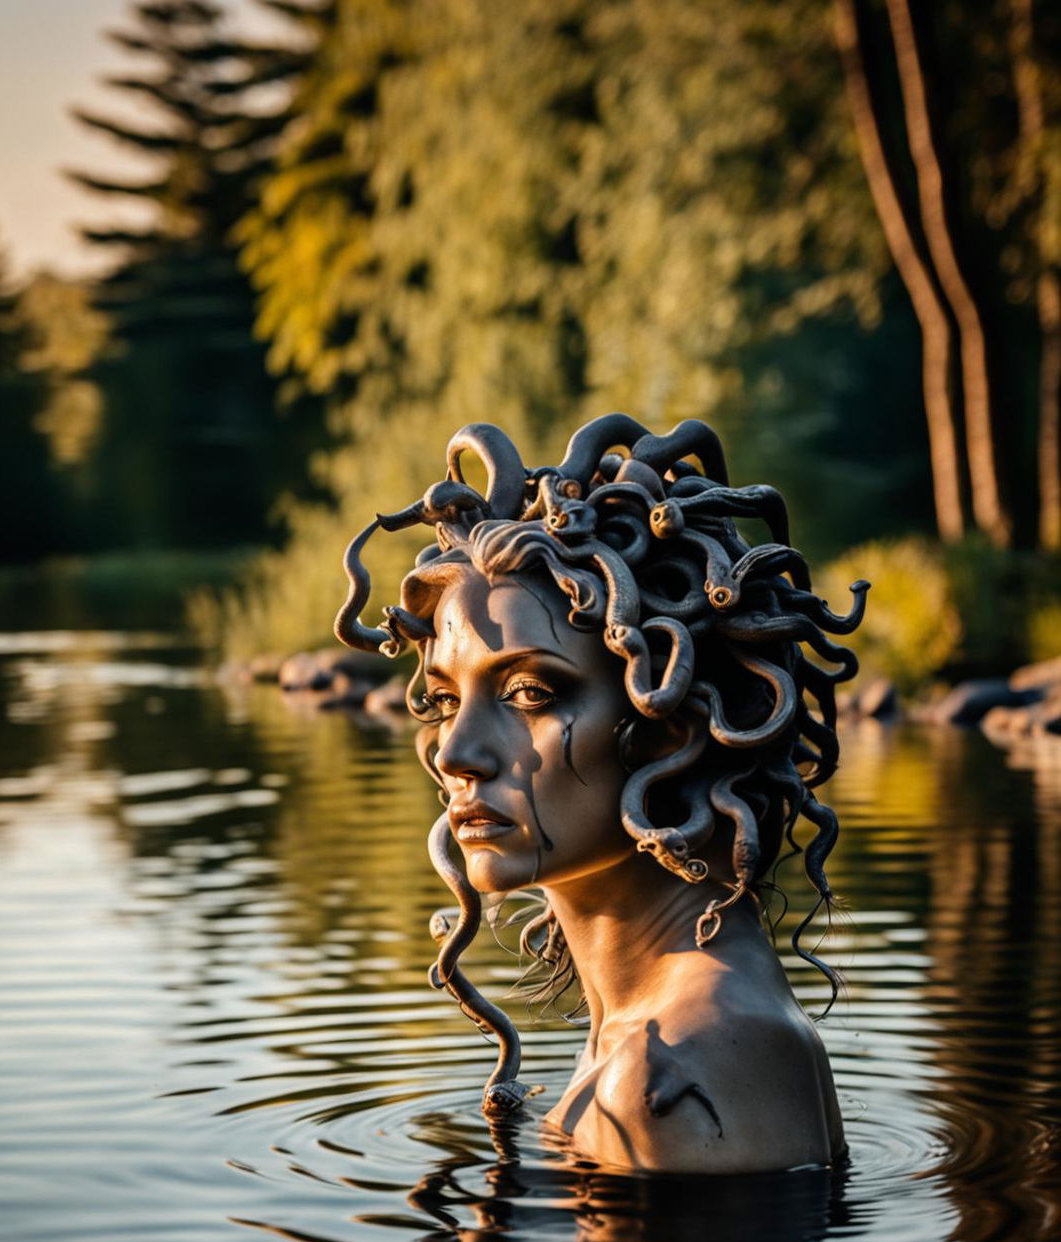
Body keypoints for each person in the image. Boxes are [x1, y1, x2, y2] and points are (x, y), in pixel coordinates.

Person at [335, 414, 867, 1172]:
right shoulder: (657, 1036)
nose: (456, 752)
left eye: (528, 692)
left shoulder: (675, 1073)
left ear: (669, 723)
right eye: (448, 699)